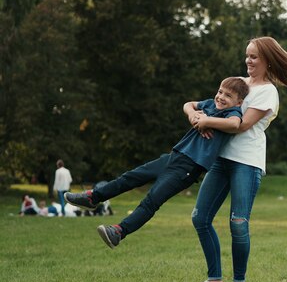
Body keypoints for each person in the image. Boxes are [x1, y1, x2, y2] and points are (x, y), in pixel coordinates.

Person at [65, 77, 249, 248]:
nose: (221, 97)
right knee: (130, 177)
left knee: (152, 200)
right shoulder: (210, 104)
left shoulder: (232, 113)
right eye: (220, 91)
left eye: (228, 95)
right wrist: (193, 115)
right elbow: (188, 104)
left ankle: (119, 232)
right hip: (173, 157)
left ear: (239, 102)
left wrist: (207, 121)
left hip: (188, 168)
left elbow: (234, 125)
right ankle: (93, 197)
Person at [186, 36, 287, 282]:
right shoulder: (238, 84)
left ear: (267, 60)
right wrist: (194, 114)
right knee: (200, 217)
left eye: (254, 57)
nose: (248, 61)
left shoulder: (268, 91)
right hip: (221, 160)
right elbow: (209, 105)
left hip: (247, 163)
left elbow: (241, 125)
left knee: (238, 223)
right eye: (247, 56)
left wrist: (206, 122)